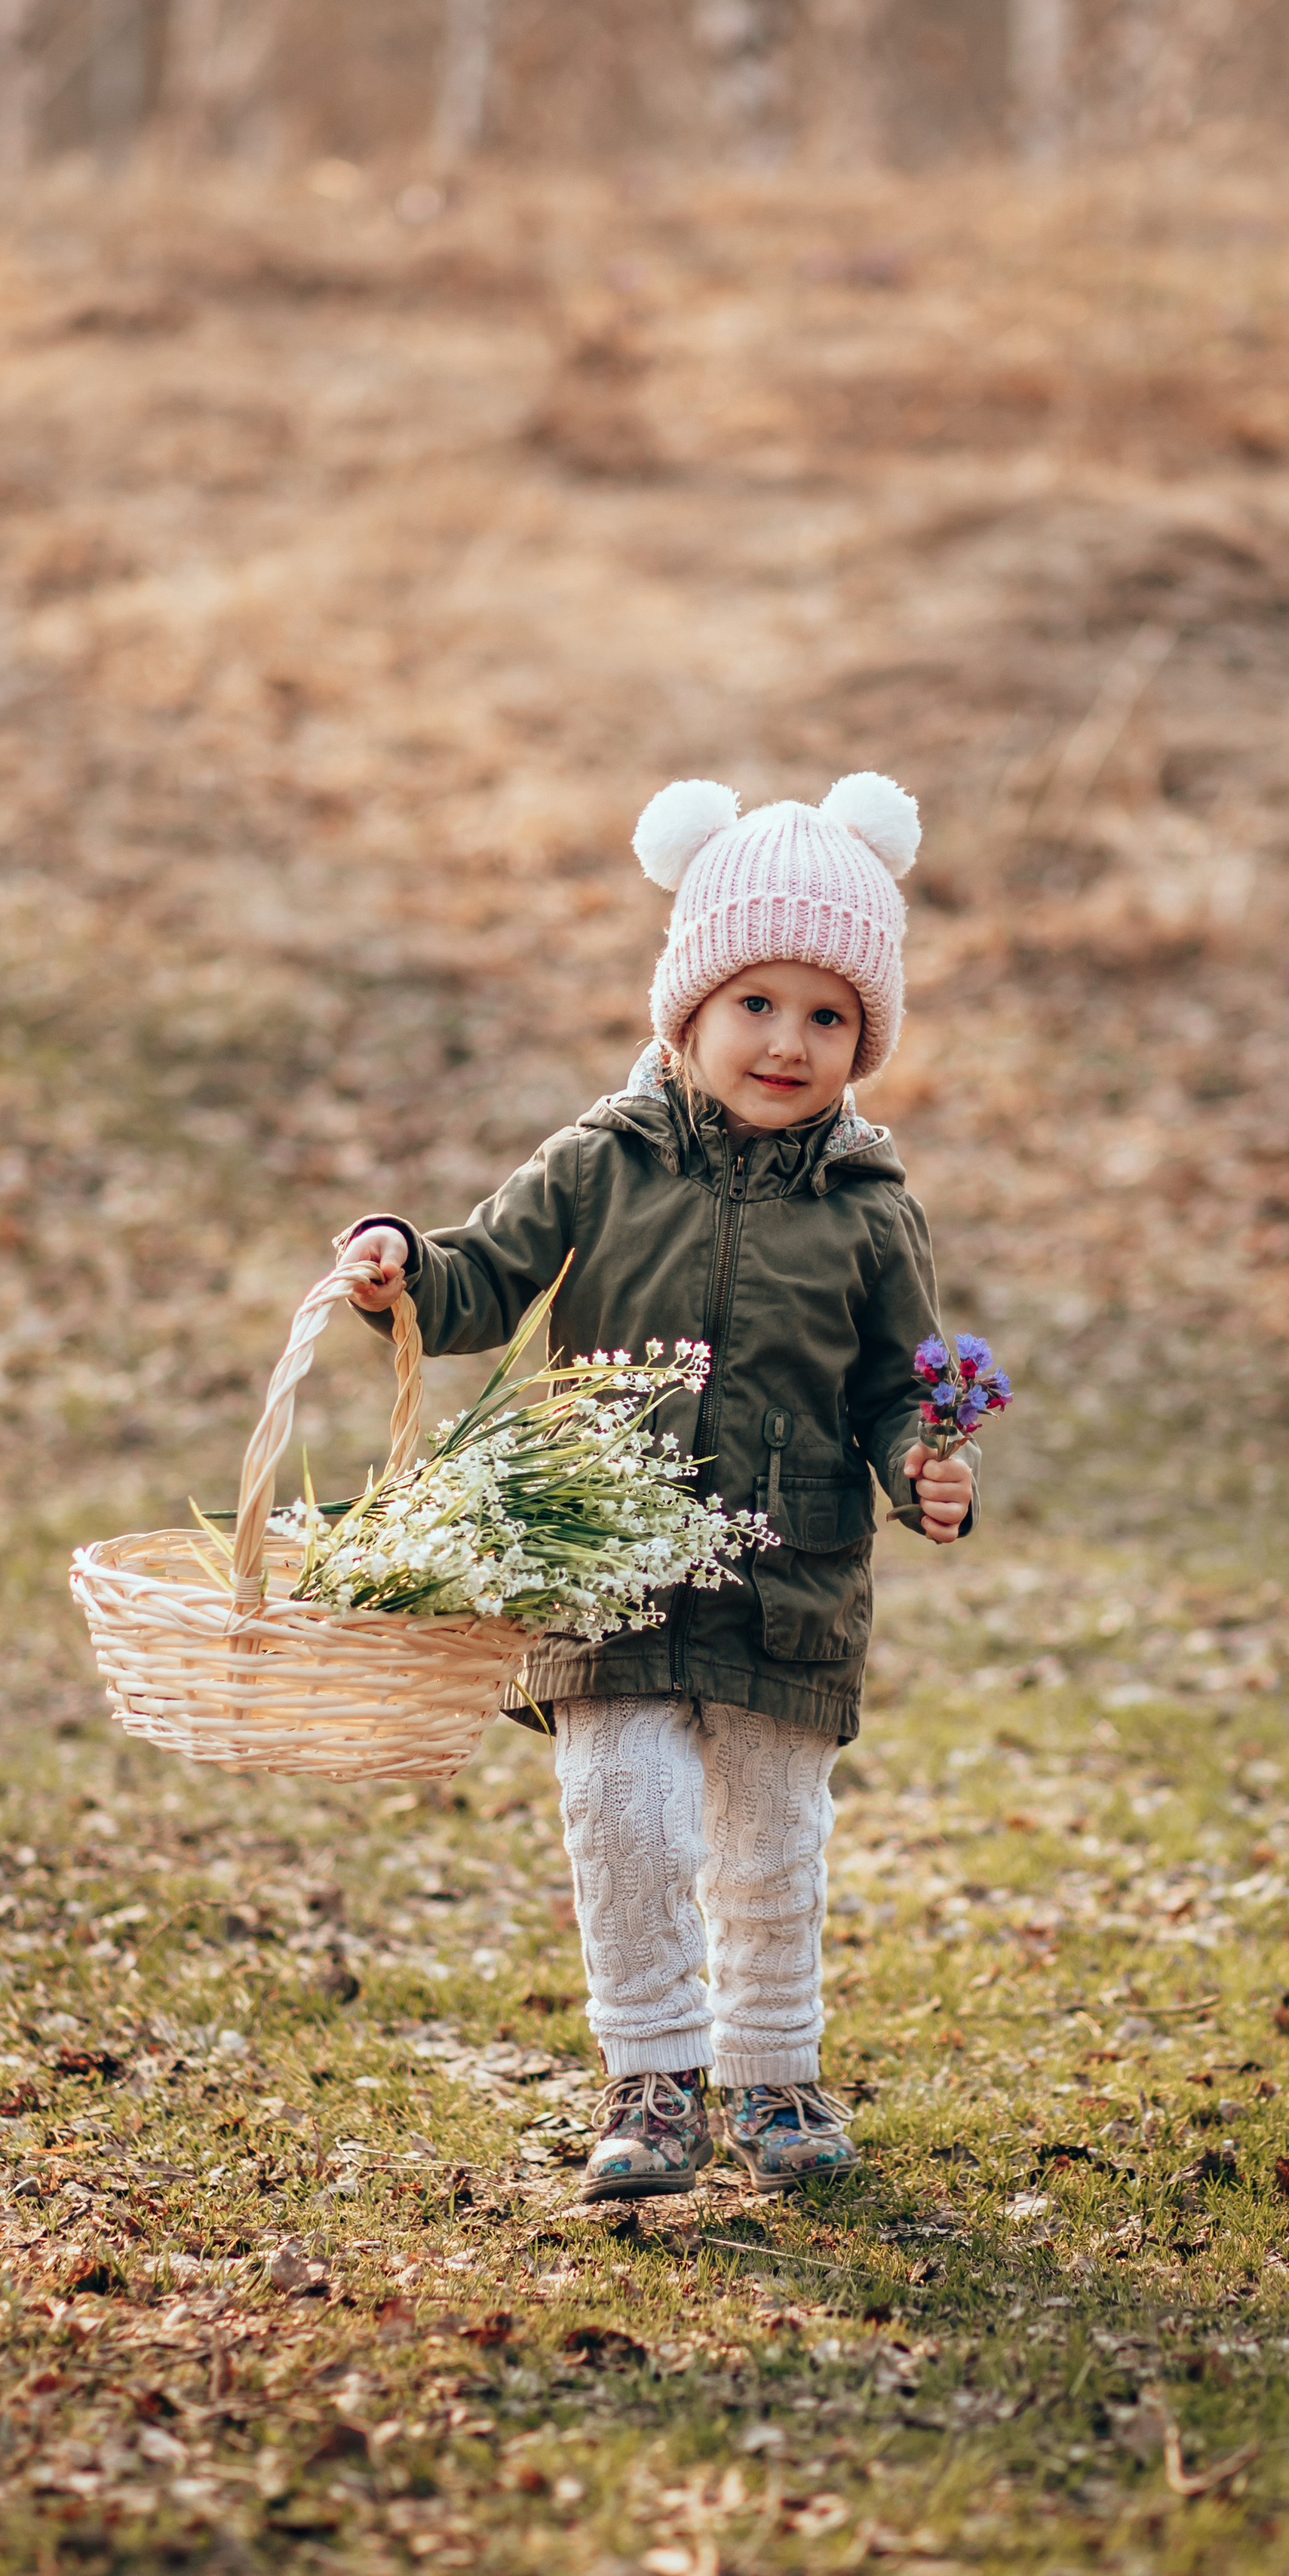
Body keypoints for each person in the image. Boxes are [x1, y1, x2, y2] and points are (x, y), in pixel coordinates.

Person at [335, 774, 975, 2201]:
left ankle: (774, 2074)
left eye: (827, 1015)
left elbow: (903, 1387)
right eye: (755, 1003)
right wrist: (402, 1268)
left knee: (767, 1837)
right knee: (622, 1805)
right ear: (686, 1008)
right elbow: (481, 1280)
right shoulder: (598, 1165)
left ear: (864, 1036)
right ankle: (652, 2076)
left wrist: (929, 1465)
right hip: (600, 1554)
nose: (788, 1042)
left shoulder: (870, 1210)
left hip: (789, 1573)